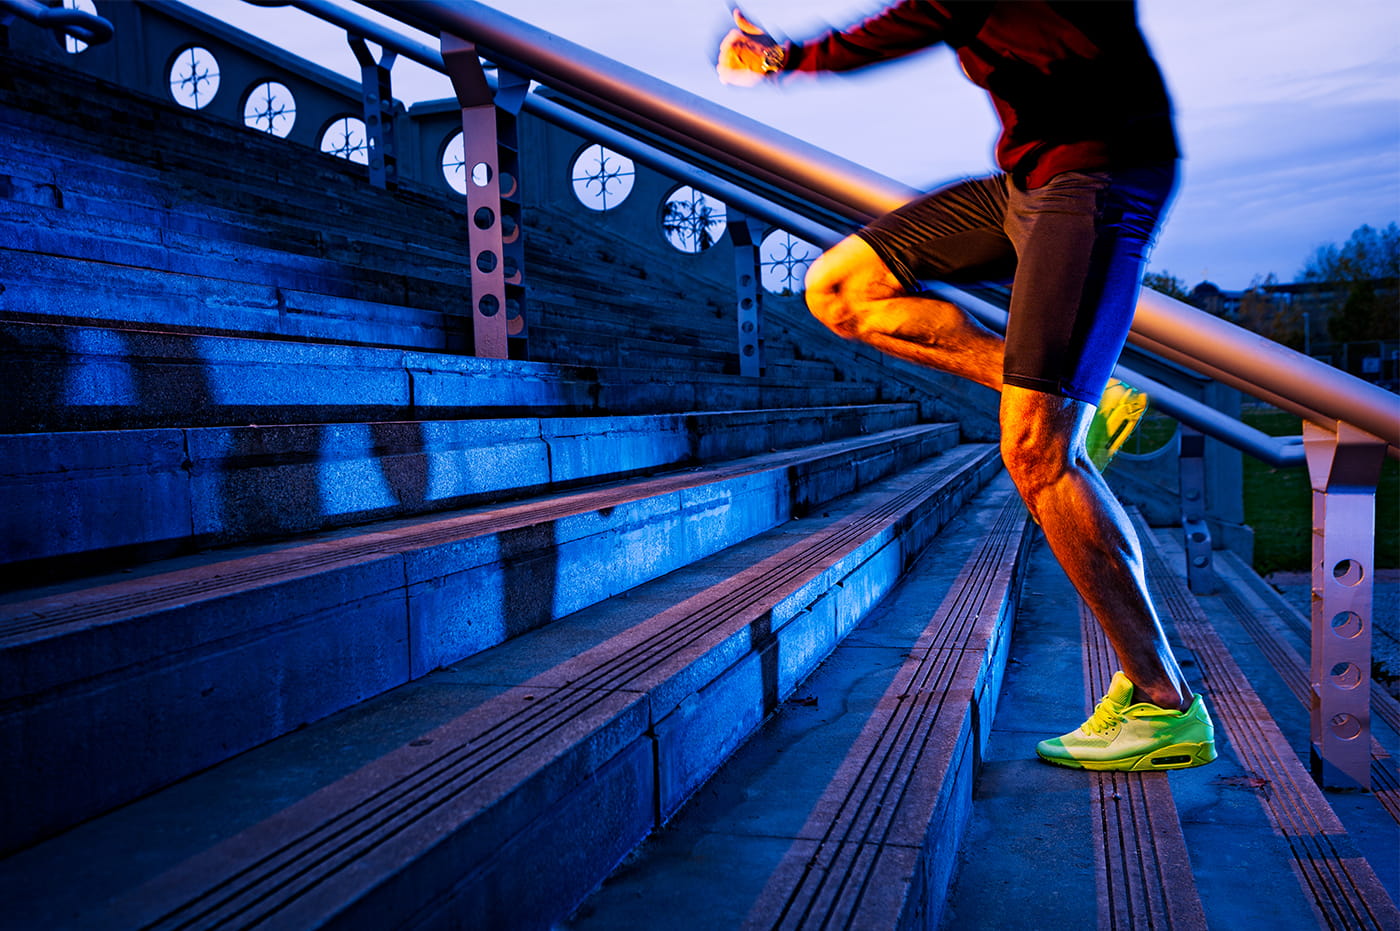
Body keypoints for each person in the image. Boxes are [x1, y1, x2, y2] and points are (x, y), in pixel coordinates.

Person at [717, 1, 1216, 772]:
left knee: (1037, 454)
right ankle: (1074, 393)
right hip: (1028, 183)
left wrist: (786, 60)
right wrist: (787, 58)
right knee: (841, 288)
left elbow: (926, 17)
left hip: (1097, 175)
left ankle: (1164, 704)